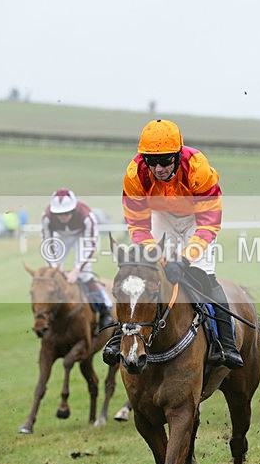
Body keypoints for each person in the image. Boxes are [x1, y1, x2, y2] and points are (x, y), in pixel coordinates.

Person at [102, 119, 243, 369]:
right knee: (140, 274)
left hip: (196, 220)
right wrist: (156, 255)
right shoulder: (135, 175)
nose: (158, 168)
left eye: (166, 160)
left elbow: (209, 223)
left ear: (177, 155)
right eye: (152, 161)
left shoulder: (198, 168)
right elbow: (137, 225)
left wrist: (185, 259)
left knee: (203, 276)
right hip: (162, 216)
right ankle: (118, 337)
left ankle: (227, 343)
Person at [41, 188, 115, 332]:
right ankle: (48, 312)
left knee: (85, 274)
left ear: (73, 209)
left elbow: (90, 245)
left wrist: (76, 270)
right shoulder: (47, 217)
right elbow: (47, 242)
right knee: (52, 274)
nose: (62, 217)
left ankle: (105, 310)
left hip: (82, 236)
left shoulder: (87, 217)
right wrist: (55, 268)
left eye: (66, 213)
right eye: (59, 214)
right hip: (60, 236)